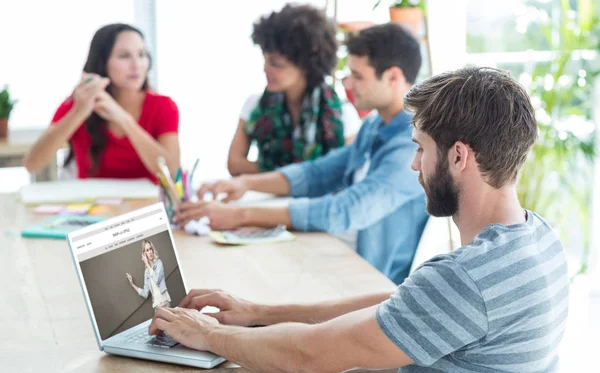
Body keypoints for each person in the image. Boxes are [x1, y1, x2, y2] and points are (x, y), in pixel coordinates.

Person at [151, 67, 569, 372]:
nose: (414, 165)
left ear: (458, 156)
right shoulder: (538, 236)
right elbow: (403, 304)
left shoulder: (469, 278)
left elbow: (311, 354)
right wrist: (258, 312)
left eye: (421, 148)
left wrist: (208, 335)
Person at [177, 23, 428, 285]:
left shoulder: (412, 144)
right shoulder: (375, 125)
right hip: (340, 252)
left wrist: (241, 215)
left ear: (393, 77)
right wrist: (244, 183)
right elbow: (319, 172)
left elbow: (347, 210)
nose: (349, 84)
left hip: (370, 278)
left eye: (358, 76)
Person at [24, 23, 180, 182]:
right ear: (102, 62)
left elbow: (174, 173)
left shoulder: (163, 106)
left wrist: (124, 120)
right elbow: (32, 164)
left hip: (149, 205)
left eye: (141, 54)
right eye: (124, 56)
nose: (136, 65)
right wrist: (78, 112)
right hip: (94, 204)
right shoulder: (80, 101)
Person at [227, 4, 362, 176]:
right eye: (265, 60)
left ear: (305, 65)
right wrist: (304, 172)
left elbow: (345, 171)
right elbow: (235, 165)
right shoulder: (255, 105)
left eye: (276, 64)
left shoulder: (342, 114)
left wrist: (277, 174)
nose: (265, 69)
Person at [126, 239, 171, 310]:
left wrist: (147, 263)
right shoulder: (146, 273)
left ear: (153, 250)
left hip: (165, 303)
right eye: (147, 250)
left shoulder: (159, 264)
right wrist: (132, 284)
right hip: (157, 307)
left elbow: (157, 280)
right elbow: (145, 294)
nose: (150, 252)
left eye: (150, 249)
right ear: (144, 254)